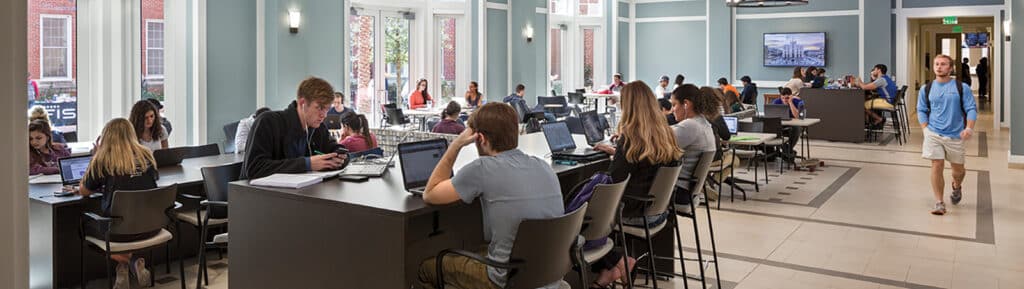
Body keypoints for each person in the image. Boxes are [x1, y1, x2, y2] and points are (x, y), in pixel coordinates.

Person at [418, 103, 565, 289]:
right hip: (548, 275)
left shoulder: (483, 168)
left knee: (427, 268)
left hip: (506, 279)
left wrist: (456, 144)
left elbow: (430, 194)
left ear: (480, 138)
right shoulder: (543, 166)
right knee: (480, 249)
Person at [75, 118, 160, 289]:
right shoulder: (147, 155)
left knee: (82, 225)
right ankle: (125, 269)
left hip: (118, 233)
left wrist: (95, 155)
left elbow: (84, 191)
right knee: (124, 222)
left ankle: (131, 262)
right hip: (150, 227)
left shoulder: (104, 159)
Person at [593, 81, 682, 227]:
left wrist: (616, 157)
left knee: (582, 209)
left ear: (628, 107)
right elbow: (647, 160)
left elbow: (614, 181)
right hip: (659, 211)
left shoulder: (630, 138)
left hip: (634, 213)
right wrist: (618, 153)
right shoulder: (666, 133)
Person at [242, 77, 348, 179]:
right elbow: (255, 168)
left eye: (327, 109)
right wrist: (307, 164)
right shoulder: (268, 122)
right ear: (302, 103)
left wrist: (340, 157)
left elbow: (334, 148)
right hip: (258, 195)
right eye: (319, 108)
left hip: (299, 194)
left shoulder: (318, 128)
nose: (324, 115)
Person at [917, 54, 977, 216]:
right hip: (933, 133)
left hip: (955, 135)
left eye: (943, 64)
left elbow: (971, 108)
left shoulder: (961, 87)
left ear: (950, 68)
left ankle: (956, 186)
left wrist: (969, 128)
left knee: (958, 171)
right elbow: (921, 110)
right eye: (937, 64)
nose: (939, 67)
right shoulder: (926, 88)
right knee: (937, 165)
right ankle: (939, 202)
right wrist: (925, 129)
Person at [670, 85, 719, 204]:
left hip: (678, 191)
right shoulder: (703, 124)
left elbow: (656, 144)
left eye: (674, 104)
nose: (672, 110)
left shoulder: (691, 126)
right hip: (689, 190)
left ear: (686, 104)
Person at [771, 87, 804, 156]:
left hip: (794, 125)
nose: (784, 100)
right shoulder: (777, 101)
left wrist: (790, 102)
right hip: (781, 124)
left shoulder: (798, 102)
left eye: (787, 98)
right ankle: (787, 152)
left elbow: (797, 117)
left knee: (797, 129)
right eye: (782, 98)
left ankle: (788, 150)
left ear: (791, 96)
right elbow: (772, 115)